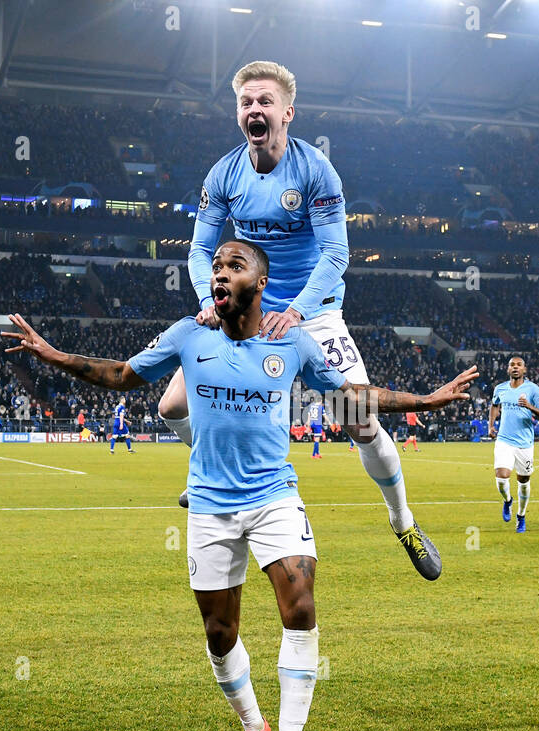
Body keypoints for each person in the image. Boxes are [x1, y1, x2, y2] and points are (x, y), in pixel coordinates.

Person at [2, 239, 476, 731]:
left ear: (260, 283)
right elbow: (122, 374)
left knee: (300, 606)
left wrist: (428, 400)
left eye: (235, 265)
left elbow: (353, 395)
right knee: (219, 631)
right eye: (218, 265)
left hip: (274, 497)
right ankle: (254, 727)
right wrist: (53, 354)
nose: (220, 272)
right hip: (209, 504)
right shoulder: (189, 334)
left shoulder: (294, 344)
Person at [161, 60, 442, 581]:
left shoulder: (315, 171)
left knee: (359, 420)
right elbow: (201, 248)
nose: (255, 109)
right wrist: (208, 296)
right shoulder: (223, 174)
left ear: (287, 112)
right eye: (246, 102)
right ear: (237, 113)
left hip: (311, 313)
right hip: (247, 310)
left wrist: (296, 312)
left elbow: (336, 254)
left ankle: (403, 520)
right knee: (172, 403)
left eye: (265, 101)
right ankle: (213, 472)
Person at [488, 356, 539, 533]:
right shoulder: (500, 388)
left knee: (523, 481)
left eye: (519, 365)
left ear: (524, 369)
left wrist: (529, 406)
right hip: (504, 440)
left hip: (524, 443)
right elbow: (494, 405)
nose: (515, 367)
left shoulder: (532, 389)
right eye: (512, 365)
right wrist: (491, 425)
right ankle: (507, 501)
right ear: (508, 369)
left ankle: (521, 516)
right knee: (501, 477)